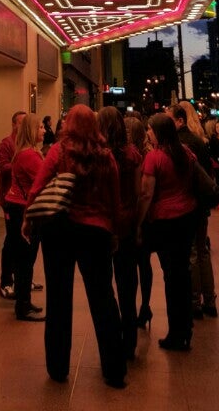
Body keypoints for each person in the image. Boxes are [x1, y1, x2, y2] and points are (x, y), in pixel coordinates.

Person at [25, 104, 126, 388]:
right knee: (103, 299)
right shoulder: (105, 156)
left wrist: (28, 217)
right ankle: (114, 369)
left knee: (58, 299)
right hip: (96, 234)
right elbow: (114, 200)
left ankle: (58, 368)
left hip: (60, 231)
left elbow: (39, 185)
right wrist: (115, 232)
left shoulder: (59, 151)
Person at [136, 113, 197, 351]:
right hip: (187, 217)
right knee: (182, 274)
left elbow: (146, 194)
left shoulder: (155, 157)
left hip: (166, 221)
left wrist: (139, 222)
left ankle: (176, 333)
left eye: (150, 129)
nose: (147, 133)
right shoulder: (185, 153)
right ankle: (186, 328)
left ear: (158, 132)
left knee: (171, 276)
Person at [97, 106, 141, 359]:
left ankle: (111, 338)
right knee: (127, 284)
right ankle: (130, 342)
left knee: (104, 286)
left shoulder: (98, 155)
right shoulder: (132, 154)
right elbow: (137, 192)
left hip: (103, 225)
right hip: (126, 224)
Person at [168, 104, 218, 319]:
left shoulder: (180, 144)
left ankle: (195, 302)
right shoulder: (198, 141)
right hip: (203, 203)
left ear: (179, 121)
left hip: (189, 204)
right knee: (203, 250)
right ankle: (210, 300)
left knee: (193, 252)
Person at [4, 113, 45, 321]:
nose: (44, 131)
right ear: (31, 131)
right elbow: (42, 182)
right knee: (25, 259)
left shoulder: (26, 153)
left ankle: (25, 301)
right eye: (40, 128)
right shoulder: (29, 155)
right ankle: (23, 306)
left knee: (25, 259)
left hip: (19, 207)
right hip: (23, 209)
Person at [124, 114, 154, 330]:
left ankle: (132, 307)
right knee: (144, 263)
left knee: (129, 266)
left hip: (134, 215)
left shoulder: (127, 156)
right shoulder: (150, 154)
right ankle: (145, 304)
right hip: (150, 216)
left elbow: (140, 192)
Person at [0, 109, 26, 299]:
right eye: (21, 123)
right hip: (9, 198)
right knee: (11, 240)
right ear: (14, 124)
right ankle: (6, 281)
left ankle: (22, 277)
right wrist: (20, 162)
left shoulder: (26, 145)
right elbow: (2, 168)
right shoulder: (6, 144)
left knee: (22, 241)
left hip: (23, 199)